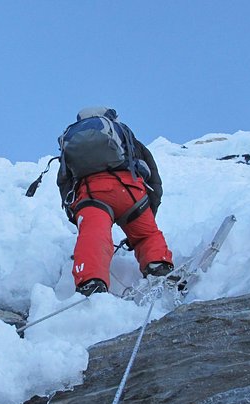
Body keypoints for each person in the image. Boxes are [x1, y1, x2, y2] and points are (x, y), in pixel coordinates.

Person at [56, 107, 174, 296]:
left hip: (91, 195)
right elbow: (152, 174)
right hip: (130, 191)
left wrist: (76, 213)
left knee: (93, 236)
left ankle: (91, 282)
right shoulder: (123, 133)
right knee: (146, 235)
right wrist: (149, 209)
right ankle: (158, 266)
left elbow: (64, 180)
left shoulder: (72, 141)